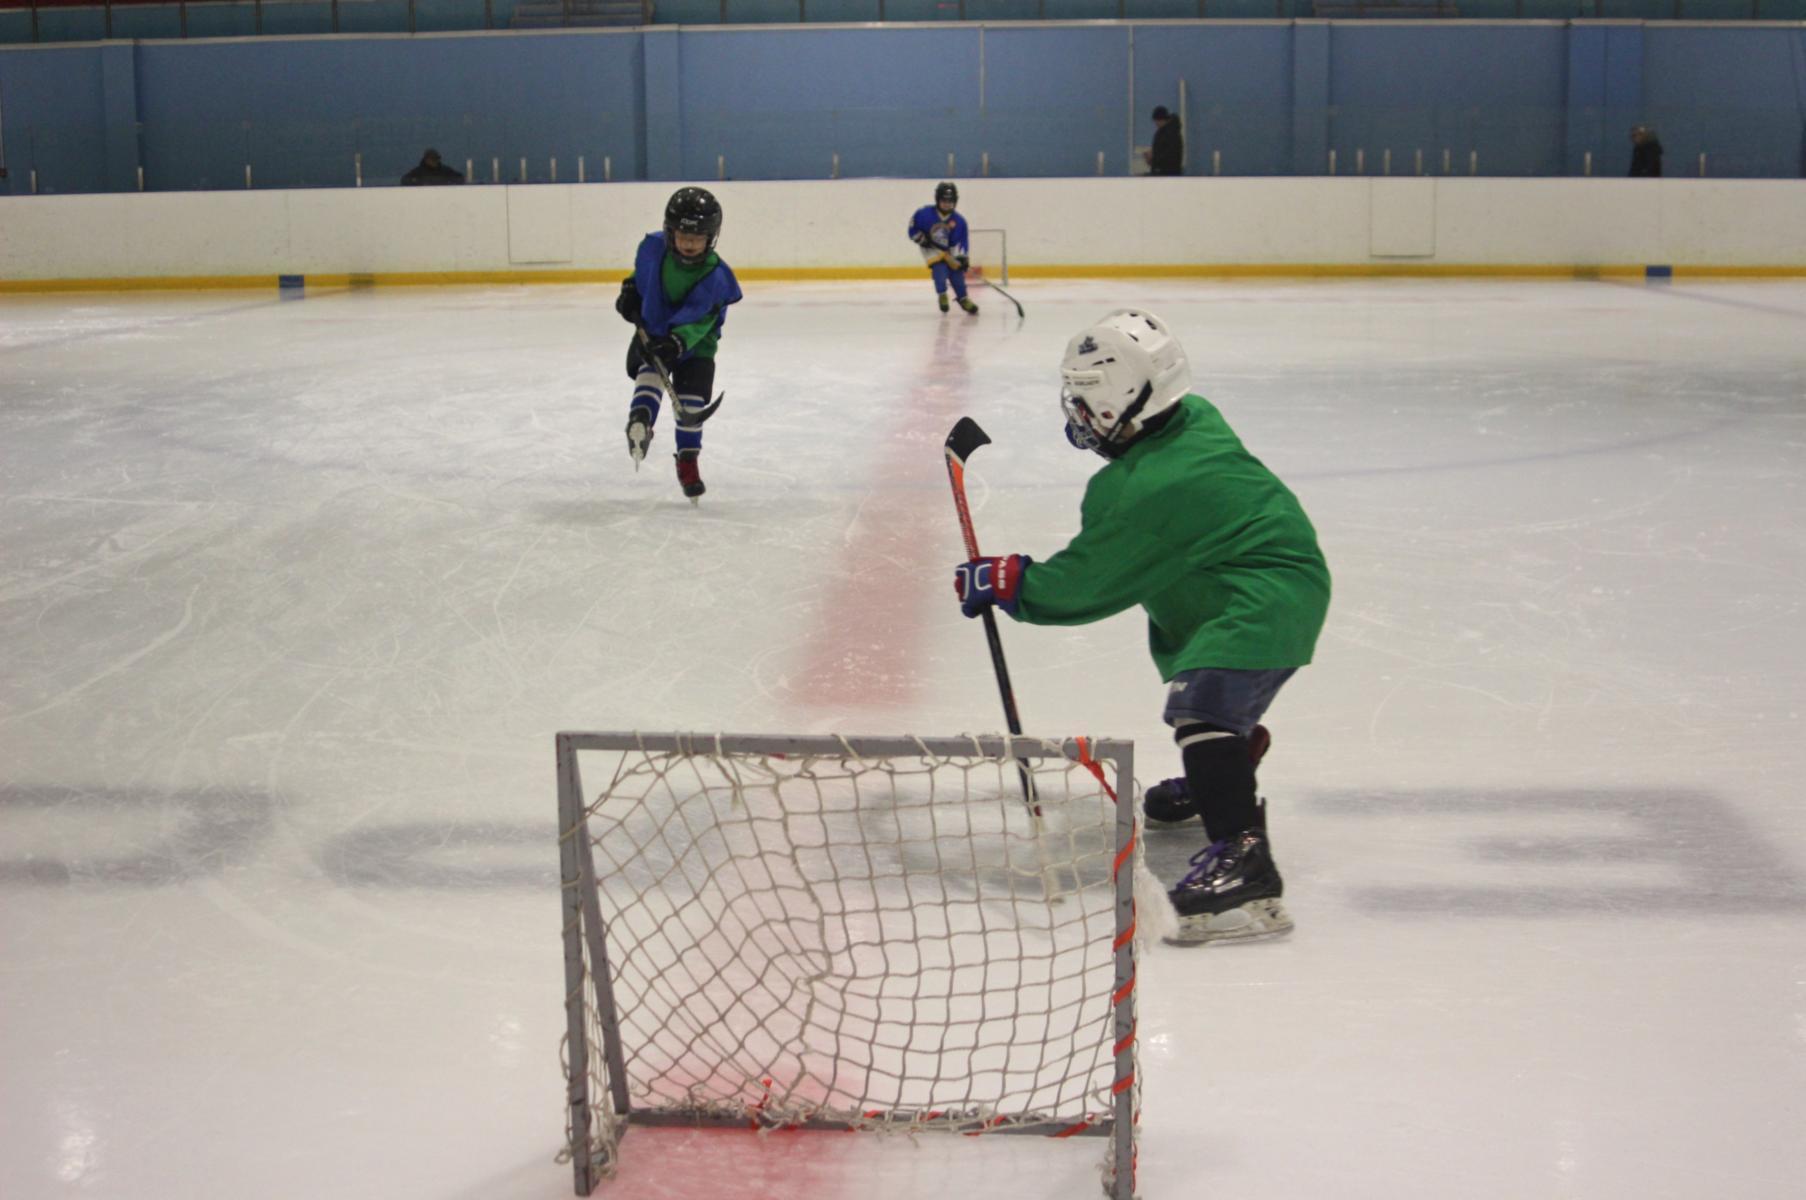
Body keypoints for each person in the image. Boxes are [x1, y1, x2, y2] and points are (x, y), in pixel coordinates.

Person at [952, 310, 1331, 946]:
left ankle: (1245, 859)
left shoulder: (1147, 486)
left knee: (1203, 707)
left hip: (1263, 601)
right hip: (1250, 586)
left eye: (1084, 397)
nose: (1076, 411)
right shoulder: (1190, 419)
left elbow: (1085, 586)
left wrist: (1011, 581)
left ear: (1117, 401)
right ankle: (1222, 772)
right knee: (1211, 707)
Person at [614, 187, 743, 501]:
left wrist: (677, 342)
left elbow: (702, 322)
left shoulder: (716, 276)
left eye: (697, 238)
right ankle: (641, 420)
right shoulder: (654, 248)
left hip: (697, 346)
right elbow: (642, 276)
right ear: (670, 232)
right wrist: (630, 290)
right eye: (683, 236)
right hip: (656, 330)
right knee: (650, 372)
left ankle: (687, 459)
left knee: (690, 406)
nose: (688, 243)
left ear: (711, 238)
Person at [907, 182, 978, 315]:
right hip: (932, 249)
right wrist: (919, 238)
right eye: (944, 200)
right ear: (937, 200)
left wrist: (962, 257)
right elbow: (912, 227)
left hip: (950, 250)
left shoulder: (960, 221)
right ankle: (942, 295)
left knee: (956, 275)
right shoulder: (924, 214)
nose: (947, 204)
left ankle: (963, 298)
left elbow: (962, 241)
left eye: (950, 201)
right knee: (940, 270)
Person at [1145, 106, 1184, 177]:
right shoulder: (1167, 132)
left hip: (1167, 174)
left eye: (1156, 121)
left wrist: (1154, 158)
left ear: (1161, 119)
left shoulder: (1170, 134)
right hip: (1166, 173)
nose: (1155, 123)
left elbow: (1170, 156)